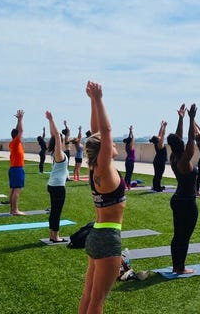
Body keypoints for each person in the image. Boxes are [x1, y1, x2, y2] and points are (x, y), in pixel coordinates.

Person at [79, 81, 126, 314]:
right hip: (107, 238)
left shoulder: (94, 168)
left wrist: (92, 102)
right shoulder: (104, 169)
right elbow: (105, 133)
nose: (113, 143)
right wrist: (98, 99)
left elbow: (99, 134)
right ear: (104, 149)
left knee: (88, 296)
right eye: (110, 144)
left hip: (97, 233)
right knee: (97, 301)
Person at [167, 103, 198, 274]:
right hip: (186, 202)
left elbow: (179, 137)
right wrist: (191, 118)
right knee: (184, 236)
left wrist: (180, 118)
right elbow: (191, 138)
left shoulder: (174, 157)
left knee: (178, 234)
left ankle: (176, 265)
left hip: (178, 200)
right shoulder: (184, 160)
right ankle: (180, 267)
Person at [45, 111, 69, 243]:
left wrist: (50, 121)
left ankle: (52, 234)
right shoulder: (59, 154)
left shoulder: (55, 153)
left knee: (54, 210)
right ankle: (55, 236)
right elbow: (56, 136)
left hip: (53, 185)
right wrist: (52, 119)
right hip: (58, 187)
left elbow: (54, 136)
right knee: (56, 211)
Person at [8, 109, 26, 216]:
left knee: (13, 190)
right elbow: (20, 131)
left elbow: (18, 131)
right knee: (17, 190)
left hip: (14, 168)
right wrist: (20, 120)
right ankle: (15, 210)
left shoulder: (13, 143)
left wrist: (18, 121)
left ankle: (12, 210)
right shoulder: (15, 142)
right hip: (17, 169)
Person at [149, 121, 168, 192]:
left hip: (157, 161)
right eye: (158, 137)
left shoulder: (157, 143)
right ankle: (157, 188)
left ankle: (156, 186)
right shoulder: (160, 144)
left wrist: (161, 126)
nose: (159, 136)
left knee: (157, 174)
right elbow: (163, 134)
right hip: (160, 162)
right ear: (157, 140)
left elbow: (160, 134)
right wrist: (165, 126)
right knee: (159, 175)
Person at [123, 125, 135, 190]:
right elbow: (132, 138)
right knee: (129, 174)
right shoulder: (130, 146)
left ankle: (126, 185)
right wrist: (131, 131)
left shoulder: (127, 145)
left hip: (128, 160)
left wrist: (130, 131)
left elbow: (130, 138)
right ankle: (128, 186)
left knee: (128, 173)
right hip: (130, 161)